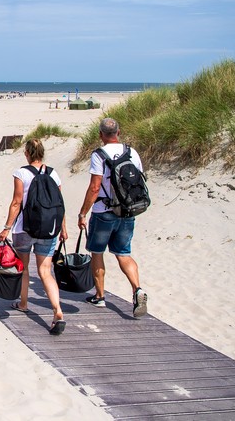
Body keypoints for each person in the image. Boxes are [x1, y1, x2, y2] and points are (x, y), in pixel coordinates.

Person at [77, 117, 148, 318]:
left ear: (100, 134)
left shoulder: (99, 155)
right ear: (119, 132)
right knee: (123, 254)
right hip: (128, 210)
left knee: (96, 252)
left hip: (104, 212)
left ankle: (99, 296)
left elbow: (94, 187)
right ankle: (137, 290)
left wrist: (83, 213)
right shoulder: (131, 152)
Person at [0, 138, 68, 335]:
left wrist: (6, 227)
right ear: (43, 153)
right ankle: (58, 311)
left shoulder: (21, 173)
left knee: (24, 268)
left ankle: (23, 303)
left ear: (27, 153)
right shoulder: (53, 173)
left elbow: (16, 202)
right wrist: (63, 228)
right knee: (46, 271)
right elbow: (59, 204)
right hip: (49, 228)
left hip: (24, 229)